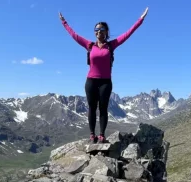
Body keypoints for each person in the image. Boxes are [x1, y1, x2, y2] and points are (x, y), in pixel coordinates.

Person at [59, 8, 148, 143]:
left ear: (106, 32)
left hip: (106, 82)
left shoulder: (111, 45)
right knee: (92, 108)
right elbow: (74, 35)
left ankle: (101, 135)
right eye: (96, 30)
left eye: (101, 30)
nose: (98, 32)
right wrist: (64, 22)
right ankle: (91, 134)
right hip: (91, 81)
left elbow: (128, 33)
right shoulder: (89, 45)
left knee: (103, 109)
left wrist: (140, 20)